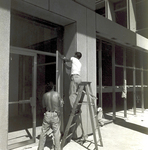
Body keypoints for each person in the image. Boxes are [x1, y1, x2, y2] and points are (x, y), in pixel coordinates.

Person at [38, 82, 63, 150]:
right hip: (55, 114)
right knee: (56, 132)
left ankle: (40, 148)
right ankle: (57, 148)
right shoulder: (57, 94)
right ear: (53, 87)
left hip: (47, 114)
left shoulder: (45, 95)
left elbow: (43, 106)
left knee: (43, 132)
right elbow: (61, 105)